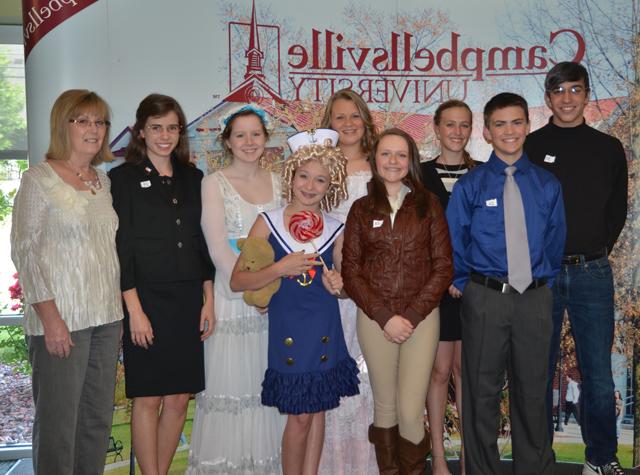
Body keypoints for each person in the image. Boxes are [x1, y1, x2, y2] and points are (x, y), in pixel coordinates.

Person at [446, 92, 566, 474]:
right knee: (481, 393)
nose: (509, 131)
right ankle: (483, 470)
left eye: (516, 122)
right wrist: (468, 284)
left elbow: (554, 239)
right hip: (485, 298)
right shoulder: (472, 186)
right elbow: (455, 240)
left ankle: (534, 468)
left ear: (528, 127)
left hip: (533, 300)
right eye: (500, 124)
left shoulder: (548, 184)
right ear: (487, 131)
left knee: (532, 392)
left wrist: (538, 284)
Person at [230, 129, 360, 474]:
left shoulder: (335, 228)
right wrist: (279, 267)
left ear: (330, 185)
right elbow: (238, 280)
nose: (310, 186)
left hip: (324, 325)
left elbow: (345, 287)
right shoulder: (267, 222)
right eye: (304, 176)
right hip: (289, 327)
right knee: (300, 416)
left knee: (317, 410)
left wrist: (339, 285)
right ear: (292, 175)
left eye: (320, 179)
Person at [10, 89, 123, 474]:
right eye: (83, 121)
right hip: (60, 322)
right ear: (64, 126)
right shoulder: (38, 180)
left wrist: (119, 317)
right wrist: (51, 320)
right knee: (59, 427)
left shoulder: (102, 182)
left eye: (100, 121)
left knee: (95, 422)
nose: (94, 129)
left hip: (106, 318)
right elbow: (25, 253)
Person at [524, 61, 628, 475]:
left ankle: (600, 458)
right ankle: (537, 459)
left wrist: (593, 248)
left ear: (586, 95)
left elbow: (616, 212)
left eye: (575, 90)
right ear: (547, 98)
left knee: (598, 375)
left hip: (592, 272)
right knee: (537, 371)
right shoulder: (530, 146)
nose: (567, 98)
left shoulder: (607, 148)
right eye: (559, 91)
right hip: (542, 274)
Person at [109, 94, 215, 475]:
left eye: (172, 127)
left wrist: (208, 299)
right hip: (146, 299)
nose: (165, 135)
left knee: (179, 398)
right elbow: (122, 248)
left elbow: (200, 242)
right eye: (156, 127)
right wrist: (133, 310)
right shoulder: (121, 178)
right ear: (141, 131)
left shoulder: (194, 177)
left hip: (187, 298)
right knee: (148, 397)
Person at [342, 128, 453, 474]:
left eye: (401, 155)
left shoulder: (429, 204)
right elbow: (351, 271)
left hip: (421, 319)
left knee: (409, 409)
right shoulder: (360, 209)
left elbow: (444, 266)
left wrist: (413, 313)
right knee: (385, 407)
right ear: (375, 159)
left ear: (411, 161)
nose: (393, 161)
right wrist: (385, 315)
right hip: (376, 320)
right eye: (386, 154)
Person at [188, 105, 285, 473]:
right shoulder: (213, 183)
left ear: (266, 139)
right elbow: (215, 247)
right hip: (234, 300)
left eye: (255, 134)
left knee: (267, 391)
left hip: (273, 304)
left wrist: (270, 293)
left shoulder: (279, 182)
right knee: (231, 391)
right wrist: (252, 291)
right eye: (240, 135)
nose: (249, 142)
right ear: (227, 141)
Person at [319, 88, 378, 474]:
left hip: (373, 288)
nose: (348, 124)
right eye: (339, 117)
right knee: (330, 369)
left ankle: (367, 463)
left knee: (369, 371)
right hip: (329, 286)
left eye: (354, 116)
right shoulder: (319, 169)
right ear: (329, 124)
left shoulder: (381, 166)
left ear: (365, 121)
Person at [420, 99, 479, 475]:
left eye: (464, 125)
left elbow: (492, 237)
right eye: (450, 125)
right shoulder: (419, 175)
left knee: (466, 373)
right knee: (439, 371)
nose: (456, 132)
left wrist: (466, 278)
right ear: (437, 128)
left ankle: (471, 458)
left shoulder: (484, 173)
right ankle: (439, 456)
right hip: (434, 290)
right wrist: (444, 281)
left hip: (475, 289)